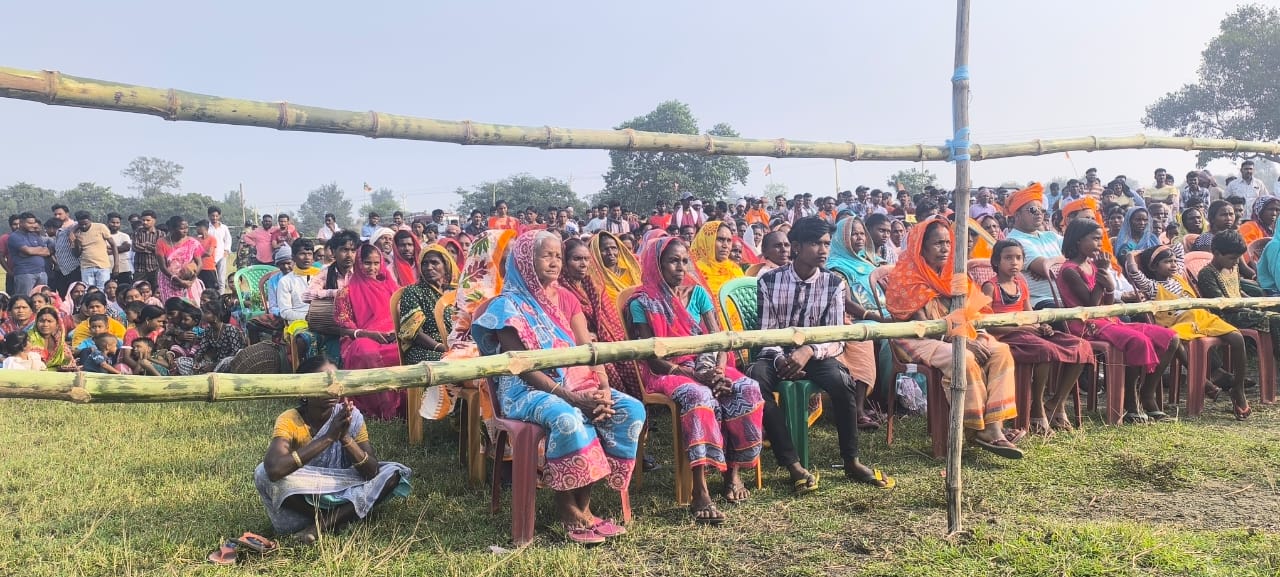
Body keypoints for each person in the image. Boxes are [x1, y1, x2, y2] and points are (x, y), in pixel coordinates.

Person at [470, 230, 643, 544]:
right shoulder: (507, 306)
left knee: (630, 408)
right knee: (568, 416)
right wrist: (573, 397)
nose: (554, 262)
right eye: (545, 255)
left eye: (557, 256)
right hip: (525, 390)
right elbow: (522, 368)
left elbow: (587, 347)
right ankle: (566, 508)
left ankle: (584, 506)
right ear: (525, 260)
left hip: (577, 380)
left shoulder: (566, 297)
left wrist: (602, 386)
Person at [748, 216, 895, 490]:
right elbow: (766, 332)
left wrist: (807, 351)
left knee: (842, 382)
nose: (824, 250)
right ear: (796, 247)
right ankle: (791, 462)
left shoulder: (833, 284)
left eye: (827, 243)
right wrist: (782, 357)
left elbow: (837, 337)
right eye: (816, 243)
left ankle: (851, 460)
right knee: (756, 381)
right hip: (775, 353)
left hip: (816, 354)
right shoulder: (769, 281)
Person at [628, 235, 764, 524]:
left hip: (707, 363)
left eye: (684, 261)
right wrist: (692, 375)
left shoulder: (698, 294)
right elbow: (652, 357)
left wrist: (717, 370)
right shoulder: (641, 303)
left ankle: (733, 473)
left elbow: (718, 340)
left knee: (747, 388)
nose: (680, 267)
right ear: (656, 264)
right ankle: (700, 489)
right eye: (672, 261)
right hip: (669, 370)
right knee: (699, 396)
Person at [885, 217, 1023, 458]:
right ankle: (974, 427)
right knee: (963, 358)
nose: (945, 248)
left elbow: (974, 311)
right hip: (917, 339)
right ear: (921, 247)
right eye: (938, 243)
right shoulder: (908, 276)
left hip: (961, 334)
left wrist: (978, 335)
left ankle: (994, 427)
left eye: (948, 243)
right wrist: (962, 341)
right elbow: (928, 327)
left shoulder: (955, 274)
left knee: (1000, 351)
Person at [254, 355, 411, 544]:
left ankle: (321, 524)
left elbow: (371, 472)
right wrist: (329, 437)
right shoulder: (290, 420)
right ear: (302, 391)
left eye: (336, 381)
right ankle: (337, 518)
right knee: (262, 472)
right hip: (304, 495)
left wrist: (345, 437)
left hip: (342, 488)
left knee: (393, 473)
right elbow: (274, 469)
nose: (332, 389)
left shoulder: (351, 417)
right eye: (324, 382)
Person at [1057, 218, 1179, 423]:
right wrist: (1103, 274)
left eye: (1100, 239)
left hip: (1108, 319)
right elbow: (1090, 308)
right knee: (1137, 341)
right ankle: (1130, 401)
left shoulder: (1092, 265)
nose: (1099, 244)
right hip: (1086, 325)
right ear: (1078, 241)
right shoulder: (1070, 270)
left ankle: (1146, 393)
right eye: (1095, 239)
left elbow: (1106, 301)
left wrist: (1110, 286)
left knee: (1171, 338)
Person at [982, 240, 1094, 434]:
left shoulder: (1021, 284)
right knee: (1044, 350)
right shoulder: (990, 287)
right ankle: (1036, 406)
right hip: (1006, 337)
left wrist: (1041, 326)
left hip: (1028, 334)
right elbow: (987, 325)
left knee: (1081, 346)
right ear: (996, 261)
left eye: (1018, 258)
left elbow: (1031, 315)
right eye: (1008, 258)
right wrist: (1025, 329)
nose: (1014, 263)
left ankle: (1056, 403)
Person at [1131, 244, 1249, 419]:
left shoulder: (1178, 277)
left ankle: (1238, 389)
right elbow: (1134, 273)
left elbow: (1178, 249)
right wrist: (1131, 256)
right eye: (1166, 262)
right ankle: (1202, 380)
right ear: (1153, 267)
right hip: (1179, 322)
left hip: (1200, 316)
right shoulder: (1152, 286)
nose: (1172, 265)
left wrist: (1171, 244)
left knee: (1237, 338)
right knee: (1175, 339)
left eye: (1173, 261)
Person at [557, 235, 645, 399]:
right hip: (579, 345)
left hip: (604, 337)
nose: (583, 264)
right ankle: (616, 405)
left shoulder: (593, 284)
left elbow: (608, 319)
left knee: (627, 359)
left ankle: (641, 404)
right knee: (608, 367)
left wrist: (609, 339)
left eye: (586, 259)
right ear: (564, 262)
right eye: (577, 259)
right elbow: (561, 326)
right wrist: (586, 336)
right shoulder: (559, 291)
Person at [335, 244, 403, 420]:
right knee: (366, 351)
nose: (372, 268)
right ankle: (383, 408)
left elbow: (401, 315)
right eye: (367, 263)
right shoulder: (346, 292)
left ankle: (404, 407)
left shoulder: (391, 287)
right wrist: (367, 334)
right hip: (361, 338)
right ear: (358, 263)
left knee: (404, 349)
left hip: (391, 336)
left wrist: (396, 333)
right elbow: (344, 327)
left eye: (376, 263)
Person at [397, 245, 459, 364]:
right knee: (454, 362)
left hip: (455, 345)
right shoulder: (413, 291)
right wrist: (443, 348)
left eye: (434, 263)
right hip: (425, 349)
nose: (429, 268)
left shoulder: (454, 292)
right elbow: (415, 333)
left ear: (445, 265)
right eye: (424, 263)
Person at [689, 221, 744, 324]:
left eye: (729, 241)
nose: (725, 245)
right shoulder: (693, 272)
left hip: (740, 334)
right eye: (720, 239)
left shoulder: (735, 270)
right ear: (707, 240)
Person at [156, 216, 206, 304]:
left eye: (187, 228)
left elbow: (200, 263)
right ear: (172, 229)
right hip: (168, 280)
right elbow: (163, 267)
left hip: (189, 280)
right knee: (173, 308)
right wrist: (178, 280)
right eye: (182, 228)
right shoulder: (161, 242)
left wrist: (191, 280)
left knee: (191, 307)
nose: (185, 231)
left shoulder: (193, 242)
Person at [6, 213, 50, 296]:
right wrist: (38, 250)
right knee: (24, 299)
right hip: (25, 273)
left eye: (33, 223)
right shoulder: (14, 236)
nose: (33, 225)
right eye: (29, 223)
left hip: (42, 272)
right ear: (21, 223)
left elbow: (47, 252)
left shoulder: (34, 235)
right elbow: (28, 251)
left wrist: (31, 251)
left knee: (43, 299)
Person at [28, 307, 74, 371]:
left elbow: (70, 364)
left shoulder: (60, 342)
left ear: (57, 324)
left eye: (49, 321)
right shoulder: (28, 339)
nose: (45, 324)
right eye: (42, 321)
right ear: (36, 322)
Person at [207, 207, 233, 293]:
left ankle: (221, 298)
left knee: (221, 279)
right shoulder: (207, 228)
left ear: (219, 216)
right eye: (212, 216)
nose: (214, 218)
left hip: (221, 255)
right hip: (210, 257)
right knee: (211, 279)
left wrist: (226, 251)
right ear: (209, 216)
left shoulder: (224, 227)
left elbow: (228, 240)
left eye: (216, 216)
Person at [106, 213, 134, 287]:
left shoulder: (124, 236)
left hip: (124, 269)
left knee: (125, 290)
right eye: (113, 222)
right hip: (107, 269)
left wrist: (110, 249)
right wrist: (120, 248)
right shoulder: (103, 236)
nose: (115, 225)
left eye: (117, 223)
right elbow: (103, 250)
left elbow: (126, 247)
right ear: (108, 222)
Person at [194, 220, 220, 292]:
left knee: (212, 290)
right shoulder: (197, 240)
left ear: (203, 228)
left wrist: (197, 254)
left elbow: (209, 253)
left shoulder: (212, 239)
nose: (197, 229)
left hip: (209, 268)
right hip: (199, 268)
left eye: (198, 227)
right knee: (200, 289)